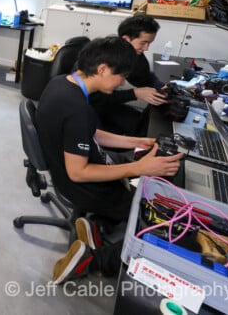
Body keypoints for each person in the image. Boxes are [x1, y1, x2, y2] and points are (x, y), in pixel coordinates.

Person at [35, 36, 183, 284]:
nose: (123, 81)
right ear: (102, 69)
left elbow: (88, 132)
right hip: (82, 186)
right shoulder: (77, 109)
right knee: (160, 221)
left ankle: (94, 226)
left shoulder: (62, 83)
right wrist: (138, 167)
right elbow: (78, 173)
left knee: (138, 176)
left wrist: (133, 142)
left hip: (80, 169)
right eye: (121, 75)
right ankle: (92, 259)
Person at [88, 14, 168, 135]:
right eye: (143, 43)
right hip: (89, 107)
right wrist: (134, 93)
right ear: (126, 39)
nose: (146, 48)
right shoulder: (103, 57)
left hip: (108, 102)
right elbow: (93, 98)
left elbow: (145, 76)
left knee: (141, 125)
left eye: (149, 43)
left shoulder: (135, 55)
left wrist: (160, 87)